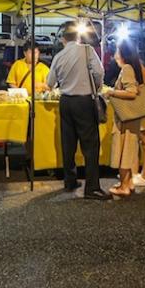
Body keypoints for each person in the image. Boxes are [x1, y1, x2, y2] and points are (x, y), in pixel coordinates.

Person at [46, 25, 110, 200]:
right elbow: (99, 72)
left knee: (68, 143)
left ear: (63, 39)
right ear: (78, 37)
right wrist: (96, 86)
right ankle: (92, 188)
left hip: (65, 102)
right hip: (84, 101)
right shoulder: (88, 51)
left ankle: (70, 180)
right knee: (90, 146)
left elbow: (50, 82)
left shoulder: (58, 56)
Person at [105, 40, 144, 197]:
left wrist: (111, 92)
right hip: (131, 118)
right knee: (128, 151)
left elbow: (132, 92)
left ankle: (124, 186)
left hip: (126, 118)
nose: (115, 54)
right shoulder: (133, 68)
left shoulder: (127, 69)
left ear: (123, 54)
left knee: (123, 151)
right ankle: (128, 183)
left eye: (117, 51)